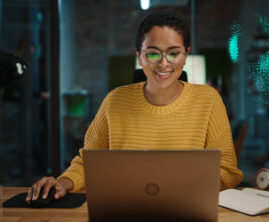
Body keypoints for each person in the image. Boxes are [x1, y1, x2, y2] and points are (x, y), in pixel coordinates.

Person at [26, 11, 243, 203]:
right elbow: (88, 163)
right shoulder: (114, 101)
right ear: (139, 55)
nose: (164, 63)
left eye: (174, 53)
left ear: (185, 55)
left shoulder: (209, 100)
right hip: (124, 209)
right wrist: (63, 182)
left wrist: (185, 188)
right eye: (153, 53)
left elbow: (227, 171)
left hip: (187, 208)